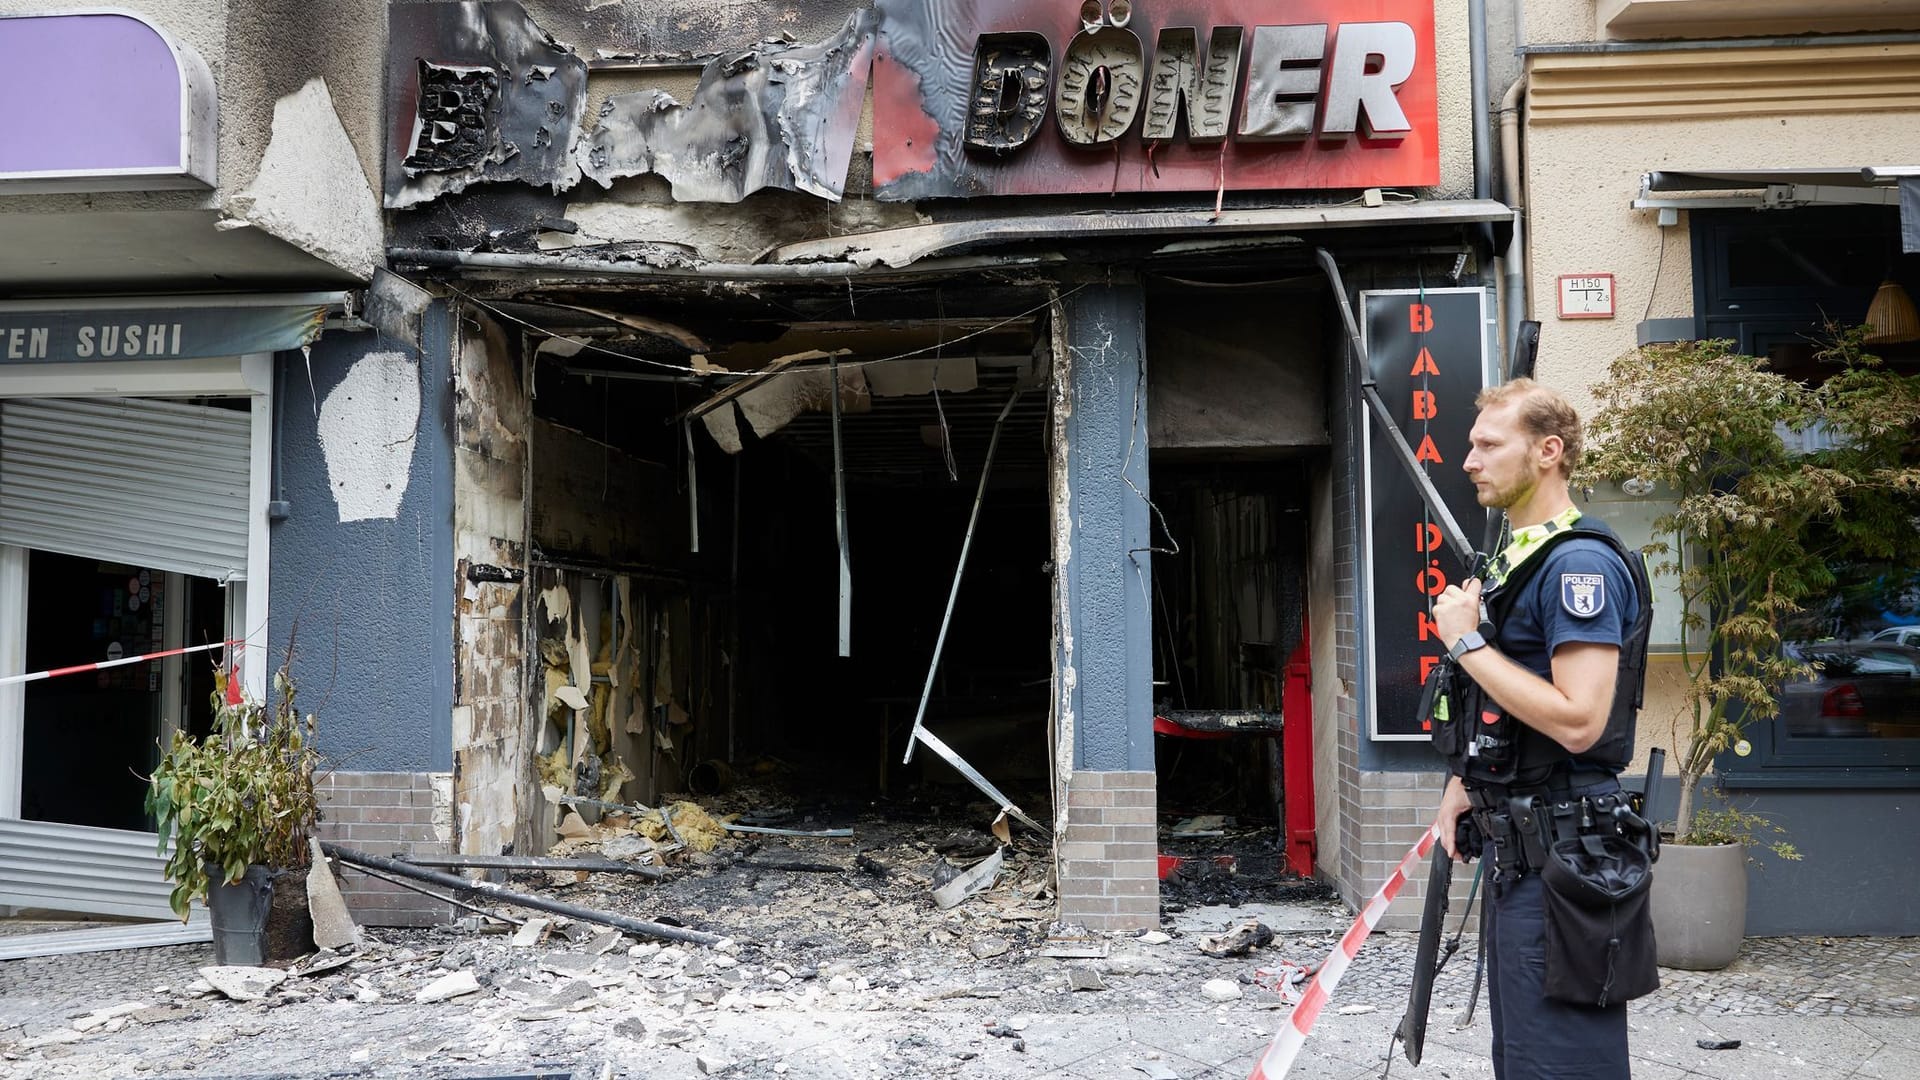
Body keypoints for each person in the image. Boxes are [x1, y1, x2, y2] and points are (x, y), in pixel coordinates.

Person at [1427, 378, 1655, 1080]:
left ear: (1549, 452)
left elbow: (1581, 720)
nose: (1469, 459)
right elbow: (1509, 710)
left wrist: (1467, 643)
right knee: (1524, 1055)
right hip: (1519, 851)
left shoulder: (1578, 564)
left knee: (1558, 1060)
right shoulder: (1522, 558)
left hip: (1560, 860)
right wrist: (1465, 784)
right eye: (1471, 443)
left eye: (1490, 445)